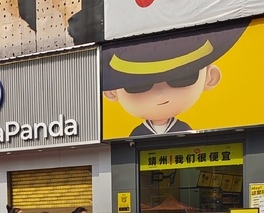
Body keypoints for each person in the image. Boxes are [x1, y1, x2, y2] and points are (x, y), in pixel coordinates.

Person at [101, 23, 246, 137]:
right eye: (138, 84)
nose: (160, 93)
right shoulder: (134, 135)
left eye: (182, 78)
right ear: (111, 92)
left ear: (210, 77)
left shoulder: (185, 130)